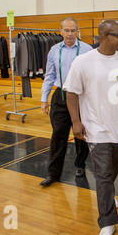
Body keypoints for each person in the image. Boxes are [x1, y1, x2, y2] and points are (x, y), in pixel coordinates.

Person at [63, 19, 118, 235]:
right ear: (105, 36)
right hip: (96, 129)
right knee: (104, 175)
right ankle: (107, 222)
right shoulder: (83, 62)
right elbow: (71, 92)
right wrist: (76, 121)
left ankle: (107, 196)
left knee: (112, 171)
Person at [40, 17, 92, 187]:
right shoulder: (54, 50)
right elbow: (49, 76)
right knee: (58, 136)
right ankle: (53, 174)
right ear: (60, 31)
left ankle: (80, 165)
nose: (69, 34)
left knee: (80, 135)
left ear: (78, 31)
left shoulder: (87, 50)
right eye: (66, 30)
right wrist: (44, 99)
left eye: (73, 31)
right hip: (60, 96)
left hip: (80, 97)